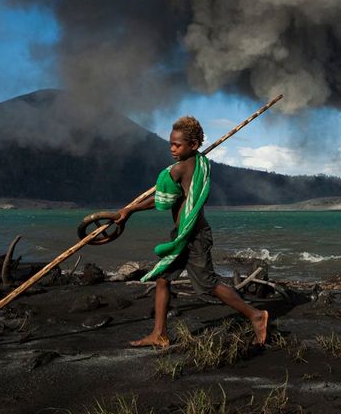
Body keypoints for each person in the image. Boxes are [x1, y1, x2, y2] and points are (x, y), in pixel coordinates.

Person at [114, 116, 268, 347]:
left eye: (177, 145)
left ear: (193, 145)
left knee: (208, 285)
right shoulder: (199, 161)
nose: (172, 149)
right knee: (163, 278)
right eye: (171, 144)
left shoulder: (178, 169)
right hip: (184, 235)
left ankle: (255, 315)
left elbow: (160, 201)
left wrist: (130, 210)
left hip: (193, 236)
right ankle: (159, 334)